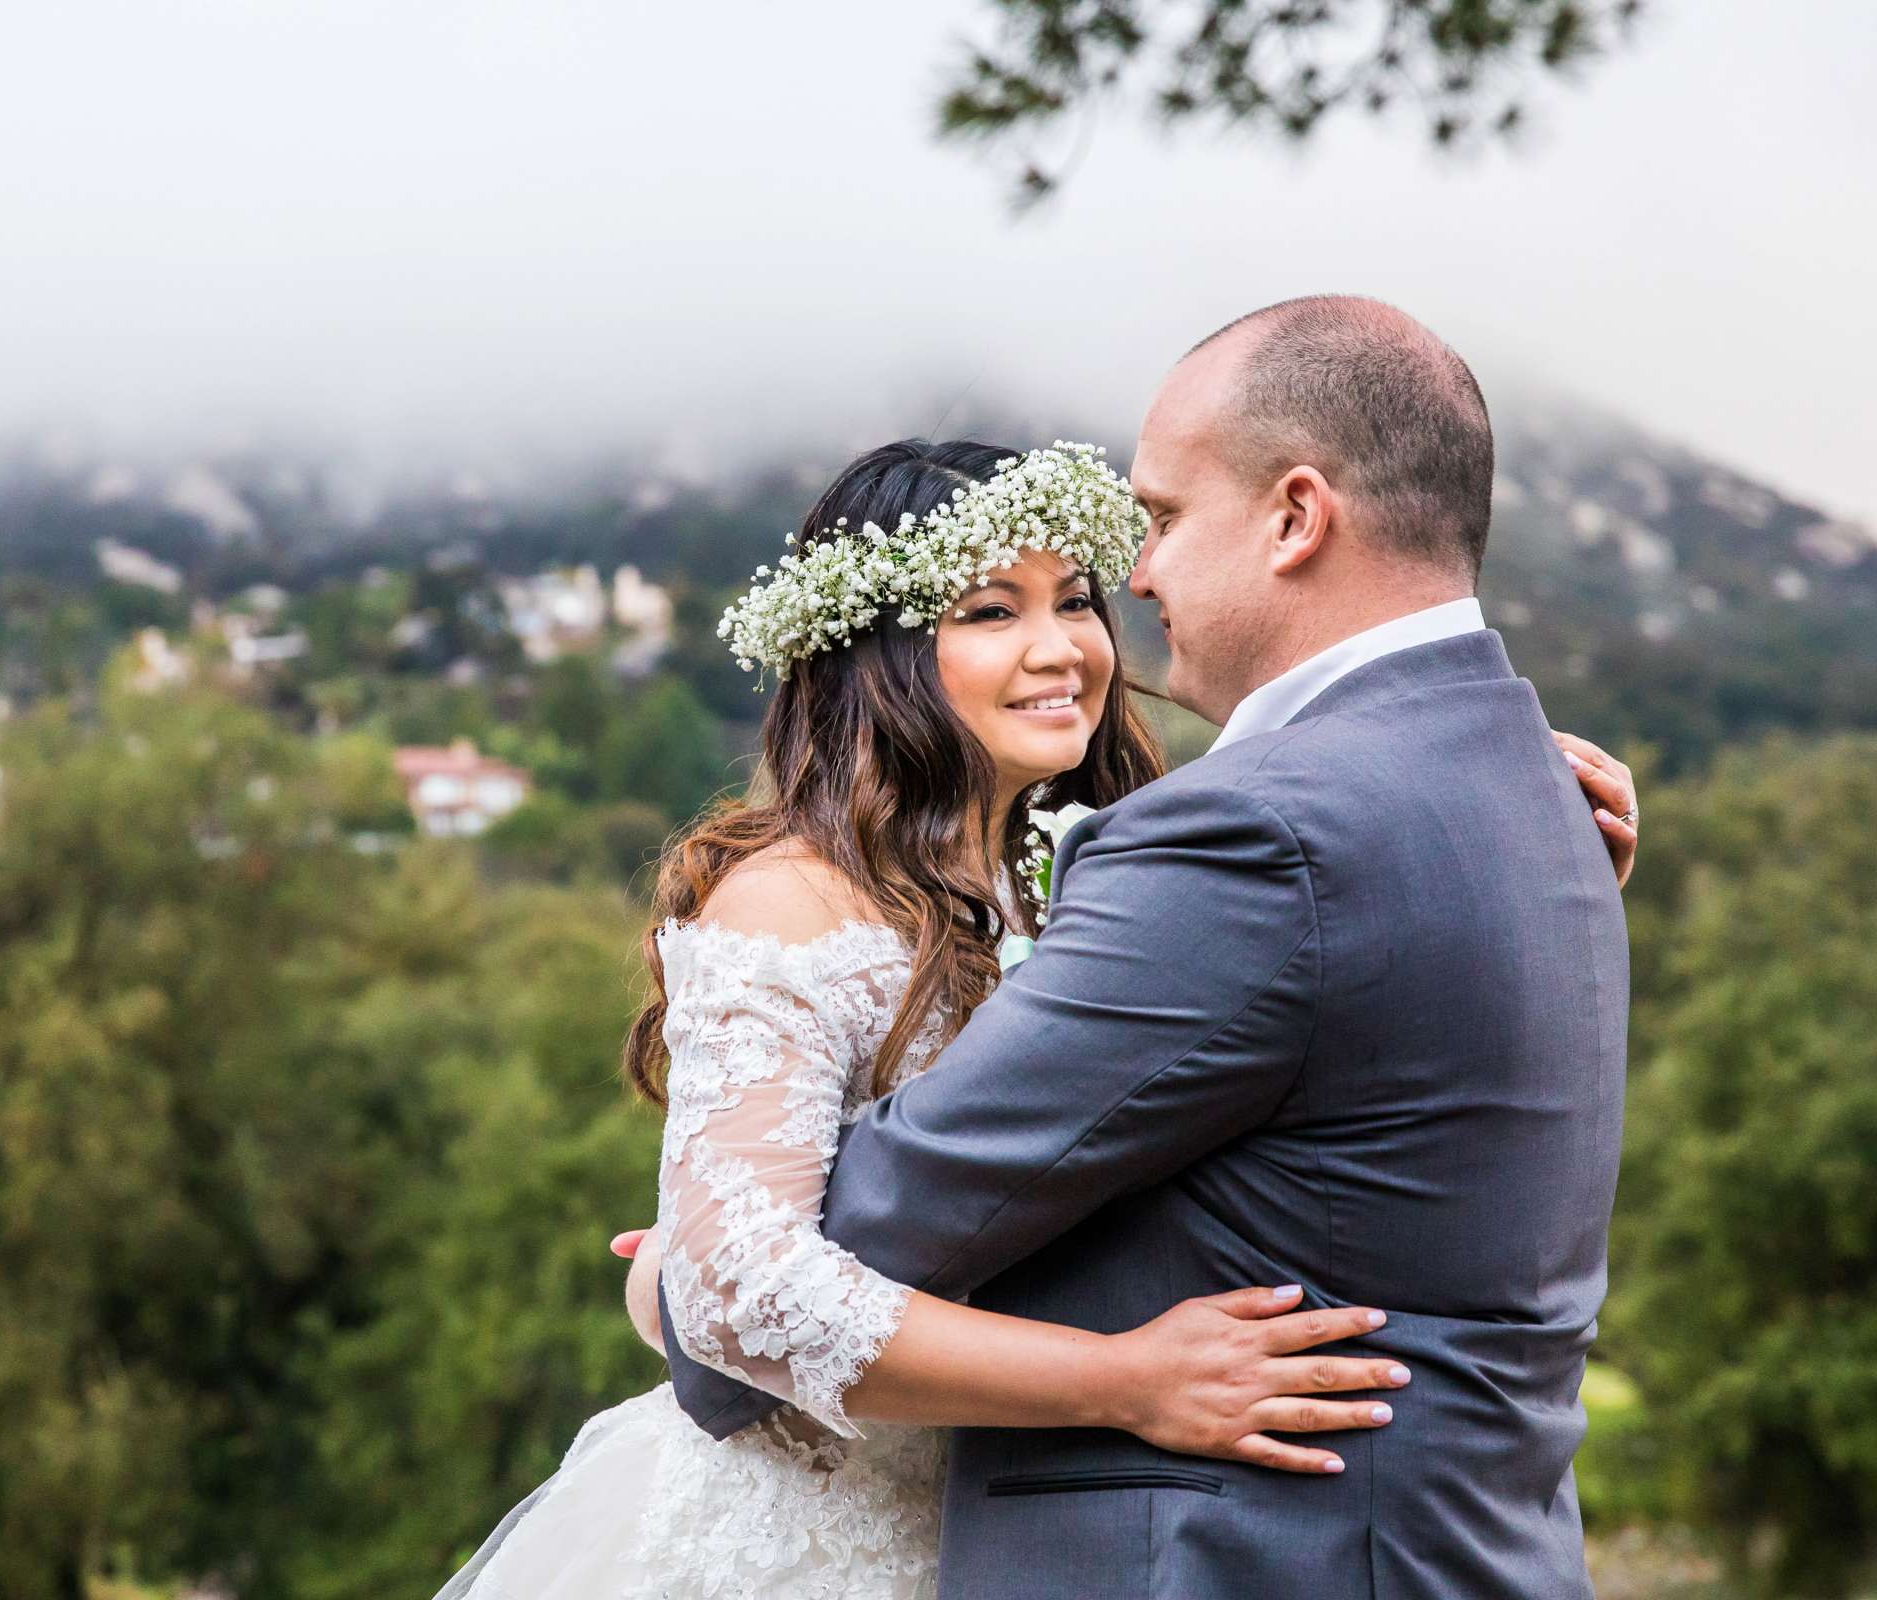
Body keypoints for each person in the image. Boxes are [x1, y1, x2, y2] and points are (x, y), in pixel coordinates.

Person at [434, 358, 1639, 1596]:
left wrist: (1477, 814)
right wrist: (1125, 1376)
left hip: (1001, 1524)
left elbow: (1290, 972)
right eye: (992, 612)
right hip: (815, 1529)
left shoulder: (1121, 858)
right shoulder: (788, 900)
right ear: (879, 655)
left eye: (1075, 601)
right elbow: (738, 1291)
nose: (1063, 646)